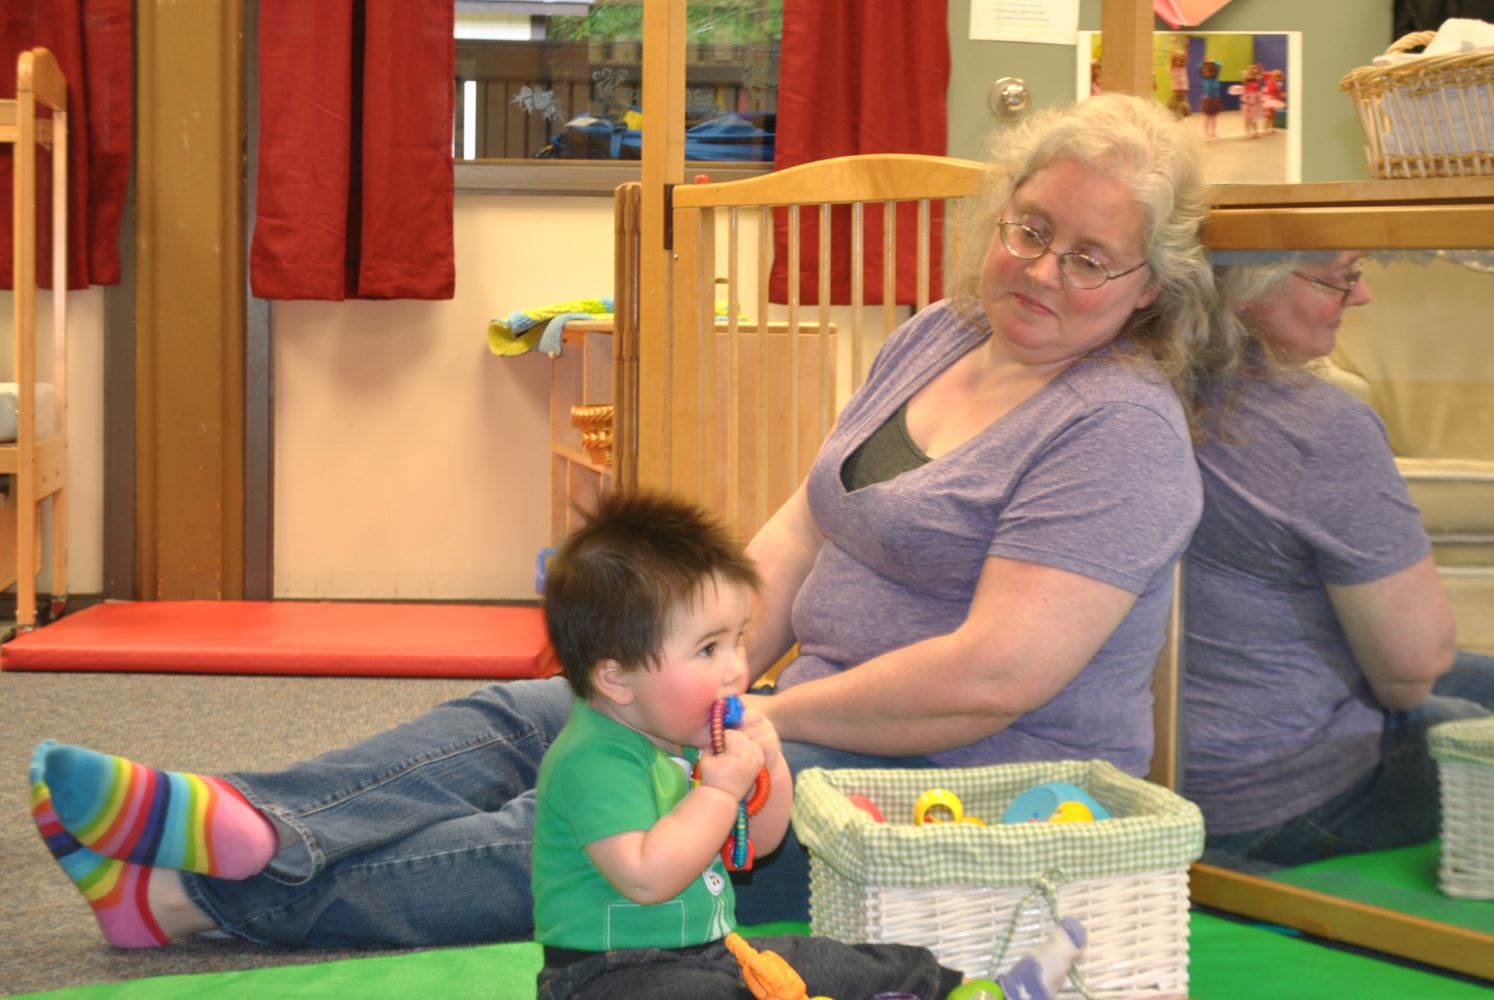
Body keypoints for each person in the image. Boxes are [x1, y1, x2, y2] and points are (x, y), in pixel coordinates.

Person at [28, 92, 1213, 948]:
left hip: (950, 783)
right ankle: (257, 818)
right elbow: (807, 517)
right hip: (797, 711)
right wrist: (687, 662)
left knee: (591, 814)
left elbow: (991, 677)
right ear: (999, 219)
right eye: (1030, 231)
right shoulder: (940, 333)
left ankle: (200, 898)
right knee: (522, 713)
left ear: (1150, 287)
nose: (1044, 271)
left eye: (1092, 259)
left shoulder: (1119, 430)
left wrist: (755, 715)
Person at [529, 490, 1081, 1000]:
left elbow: (761, 845)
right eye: (706, 650)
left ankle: (988, 990)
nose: (736, 668)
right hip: (609, 977)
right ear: (617, 678)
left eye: (736, 640)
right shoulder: (594, 761)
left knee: (843, 962)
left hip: (713, 952)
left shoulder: (682, 731)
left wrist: (769, 762)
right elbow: (647, 877)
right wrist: (720, 790)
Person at [1182, 252, 1494, 872]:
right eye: (1341, 279)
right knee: (1465, 723)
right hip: (1272, 803)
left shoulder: (1140, 380)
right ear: (1250, 289)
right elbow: (1410, 671)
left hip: (1156, 764)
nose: (1363, 296)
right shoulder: (1322, 428)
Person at [1199, 58, 1222, 140]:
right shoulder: (1205, 78)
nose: (1207, 73)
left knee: (1214, 117)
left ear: (1213, 72)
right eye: (1206, 72)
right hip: (1208, 99)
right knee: (1207, 117)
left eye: (1209, 72)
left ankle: (1213, 132)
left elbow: (1220, 65)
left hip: (1215, 99)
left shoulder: (1215, 78)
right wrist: (1204, 62)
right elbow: (1198, 68)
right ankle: (1206, 133)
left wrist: (1212, 61)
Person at [1168, 51, 1191, 119]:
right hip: (1177, 95)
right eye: (1180, 61)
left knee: (1185, 109)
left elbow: (1186, 58)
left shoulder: (1184, 69)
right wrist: (1172, 44)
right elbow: (1171, 57)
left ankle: (1180, 115)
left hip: (1183, 95)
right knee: (1176, 109)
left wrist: (1186, 45)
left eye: (1183, 61)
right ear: (1175, 61)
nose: (1182, 63)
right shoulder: (1174, 69)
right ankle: (1175, 115)